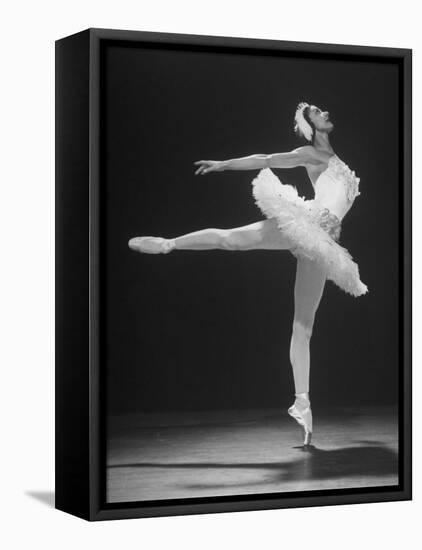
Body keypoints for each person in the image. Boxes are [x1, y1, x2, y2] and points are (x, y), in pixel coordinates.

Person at [128, 102, 368, 446]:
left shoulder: (338, 160)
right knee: (233, 240)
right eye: (316, 111)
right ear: (309, 123)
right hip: (308, 224)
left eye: (322, 109)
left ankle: (303, 403)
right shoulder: (311, 153)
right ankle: (169, 244)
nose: (324, 111)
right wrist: (224, 164)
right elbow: (266, 158)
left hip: (323, 242)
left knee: (303, 326)